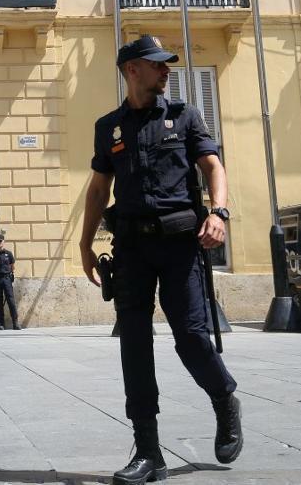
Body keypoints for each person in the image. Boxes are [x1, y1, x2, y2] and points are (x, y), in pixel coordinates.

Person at [80, 35, 241, 485]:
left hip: (178, 245)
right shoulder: (109, 127)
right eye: (157, 65)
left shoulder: (184, 116)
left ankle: (224, 397)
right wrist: (84, 243)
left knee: (190, 334)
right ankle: (149, 452)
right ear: (132, 69)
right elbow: (97, 189)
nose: (166, 70)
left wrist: (219, 211)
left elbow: (212, 166)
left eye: (167, 65)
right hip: (130, 248)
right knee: (134, 343)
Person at [0, 232, 21, 329]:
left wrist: (9, 274)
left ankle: (15, 323)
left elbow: (12, 267)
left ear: (3, 242)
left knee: (10, 300)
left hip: (6, 278)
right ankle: (1, 324)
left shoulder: (9, 254)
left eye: (0, 241)